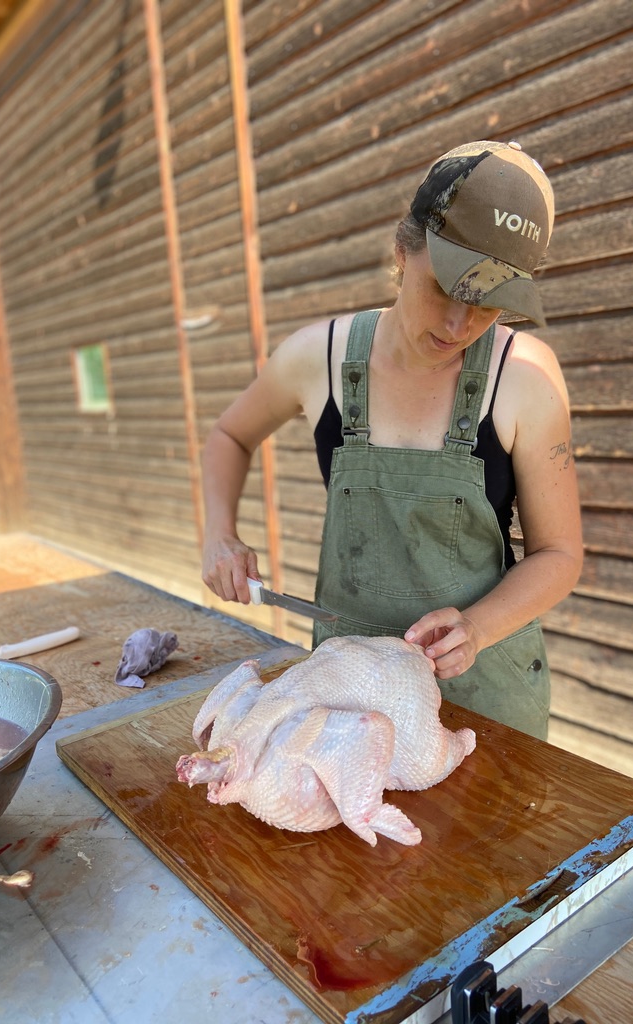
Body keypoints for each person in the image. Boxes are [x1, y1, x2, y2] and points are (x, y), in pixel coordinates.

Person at [201, 140, 583, 740]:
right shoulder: (318, 358)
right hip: (350, 693)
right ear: (402, 252)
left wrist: (476, 628)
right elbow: (229, 434)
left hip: (485, 696)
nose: (459, 325)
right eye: (445, 287)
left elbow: (559, 555)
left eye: (489, 304)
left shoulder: (525, 377)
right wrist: (219, 534)